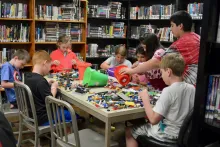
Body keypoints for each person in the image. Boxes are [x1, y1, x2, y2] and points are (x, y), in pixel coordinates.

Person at [125, 53, 195, 147]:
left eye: (162, 72)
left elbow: (153, 120)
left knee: (129, 131)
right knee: (143, 124)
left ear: (168, 72)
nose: (162, 76)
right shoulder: (192, 88)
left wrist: (145, 99)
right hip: (184, 136)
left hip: (167, 136)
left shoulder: (168, 91)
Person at [120, 10, 200, 86]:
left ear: (180, 26)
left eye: (172, 25)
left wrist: (132, 71)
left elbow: (157, 62)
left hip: (188, 85)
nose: (171, 29)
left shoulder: (181, 44)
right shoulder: (197, 38)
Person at [24, 50, 74, 126]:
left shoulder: (27, 77)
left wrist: (46, 84)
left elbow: (36, 89)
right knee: (74, 115)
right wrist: (54, 88)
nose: (50, 69)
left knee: (65, 111)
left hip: (32, 115)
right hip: (44, 117)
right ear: (45, 63)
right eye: (50, 66)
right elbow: (50, 100)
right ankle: (67, 135)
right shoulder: (40, 81)